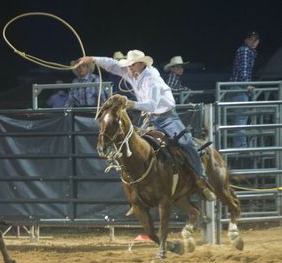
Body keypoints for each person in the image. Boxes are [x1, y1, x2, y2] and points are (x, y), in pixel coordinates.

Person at [76, 50, 216, 201]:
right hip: (150, 117)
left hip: (167, 117)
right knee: (135, 145)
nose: (128, 68)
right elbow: (112, 65)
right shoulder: (132, 71)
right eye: (128, 65)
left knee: (186, 143)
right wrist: (92, 59)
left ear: (141, 64)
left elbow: (152, 105)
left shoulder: (152, 78)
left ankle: (201, 181)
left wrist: (130, 103)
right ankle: (140, 189)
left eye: (132, 65)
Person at [228, 31, 260, 148]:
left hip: (238, 86)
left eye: (255, 40)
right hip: (239, 87)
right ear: (246, 40)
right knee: (241, 116)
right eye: (251, 39)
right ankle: (241, 145)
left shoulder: (249, 51)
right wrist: (246, 84)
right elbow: (244, 68)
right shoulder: (245, 51)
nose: (254, 42)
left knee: (240, 117)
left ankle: (240, 144)